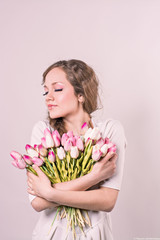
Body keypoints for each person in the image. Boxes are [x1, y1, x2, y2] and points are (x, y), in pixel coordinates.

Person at [27, 59, 127, 240]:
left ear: (81, 94)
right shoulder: (43, 132)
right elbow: (38, 202)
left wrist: (50, 192)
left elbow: (107, 200)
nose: (48, 97)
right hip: (50, 234)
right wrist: (93, 177)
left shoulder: (110, 131)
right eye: (45, 91)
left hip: (95, 234)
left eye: (57, 89)